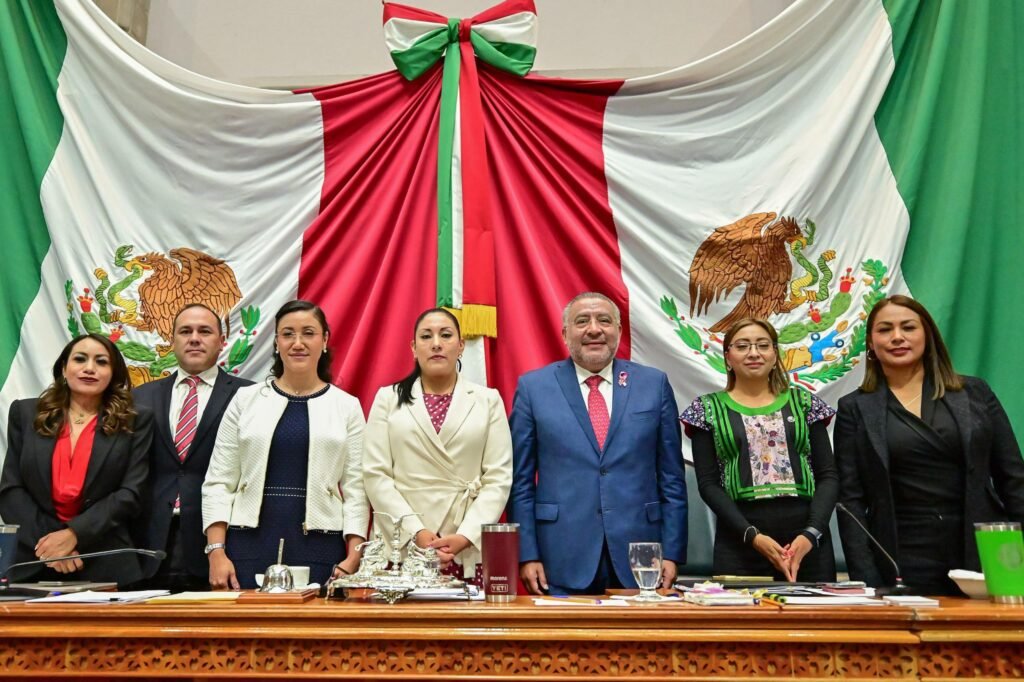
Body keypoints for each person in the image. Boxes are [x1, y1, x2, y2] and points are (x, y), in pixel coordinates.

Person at [835, 295, 1024, 595]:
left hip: (981, 549)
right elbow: (850, 501)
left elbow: (1013, 478)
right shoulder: (854, 408)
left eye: (908, 327)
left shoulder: (975, 392)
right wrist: (867, 578)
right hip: (901, 556)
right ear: (870, 342)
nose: (897, 337)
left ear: (928, 335)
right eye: (885, 329)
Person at [509, 292, 688, 595]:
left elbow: (672, 477)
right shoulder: (533, 388)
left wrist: (672, 552)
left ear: (619, 330)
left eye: (604, 320)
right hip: (560, 553)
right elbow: (520, 482)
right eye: (582, 321)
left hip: (642, 554)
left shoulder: (653, 384)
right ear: (565, 333)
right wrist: (527, 554)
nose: (594, 329)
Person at [202, 300, 369, 589]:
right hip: (247, 543)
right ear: (276, 342)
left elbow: (358, 489)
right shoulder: (245, 400)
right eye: (288, 334)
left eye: (308, 333)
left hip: (321, 546)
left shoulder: (347, 406)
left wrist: (353, 557)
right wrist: (216, 552)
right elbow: (219, 481)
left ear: (325, 340)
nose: (298, 343)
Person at [681, 318, 838, 582]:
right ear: (728, 357)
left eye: (763, 345)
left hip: (806, 540)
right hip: (740, 538)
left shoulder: (804, 402)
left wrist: (811, 534)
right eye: (742, 346)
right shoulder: (705, 410)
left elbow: (828, 476)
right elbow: (708, 484)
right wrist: (752, 536)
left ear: (775, 355)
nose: (753, 353)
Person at [363, 308, 512, 583]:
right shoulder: (387, 399)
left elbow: (498, 478)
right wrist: (416, 532)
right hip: (402, 543)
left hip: (463, 544)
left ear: (461, 345)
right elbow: (375, 475)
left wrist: (466, 535)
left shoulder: (488, 400)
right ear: (413, 347)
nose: (436, 344)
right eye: (426, 336)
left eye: (445, 335)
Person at [0, 334, 152, 586]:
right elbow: (11, 489)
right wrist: (52, 546)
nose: (89, 368)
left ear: (113, 373)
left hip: (105, 560)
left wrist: (74, 535)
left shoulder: (135, 420)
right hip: (33, 560)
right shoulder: (26, 413)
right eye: (80, 359)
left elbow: (131, 493)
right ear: (64, 368)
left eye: (101, 362)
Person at [132, 304, 253, 590]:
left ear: (222, 341)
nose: (194, 338)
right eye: (185, 331)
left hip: (221, 546)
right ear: (172, 340)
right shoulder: (140, 397)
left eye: (204, 331)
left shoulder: (250, 396)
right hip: (149, 545)